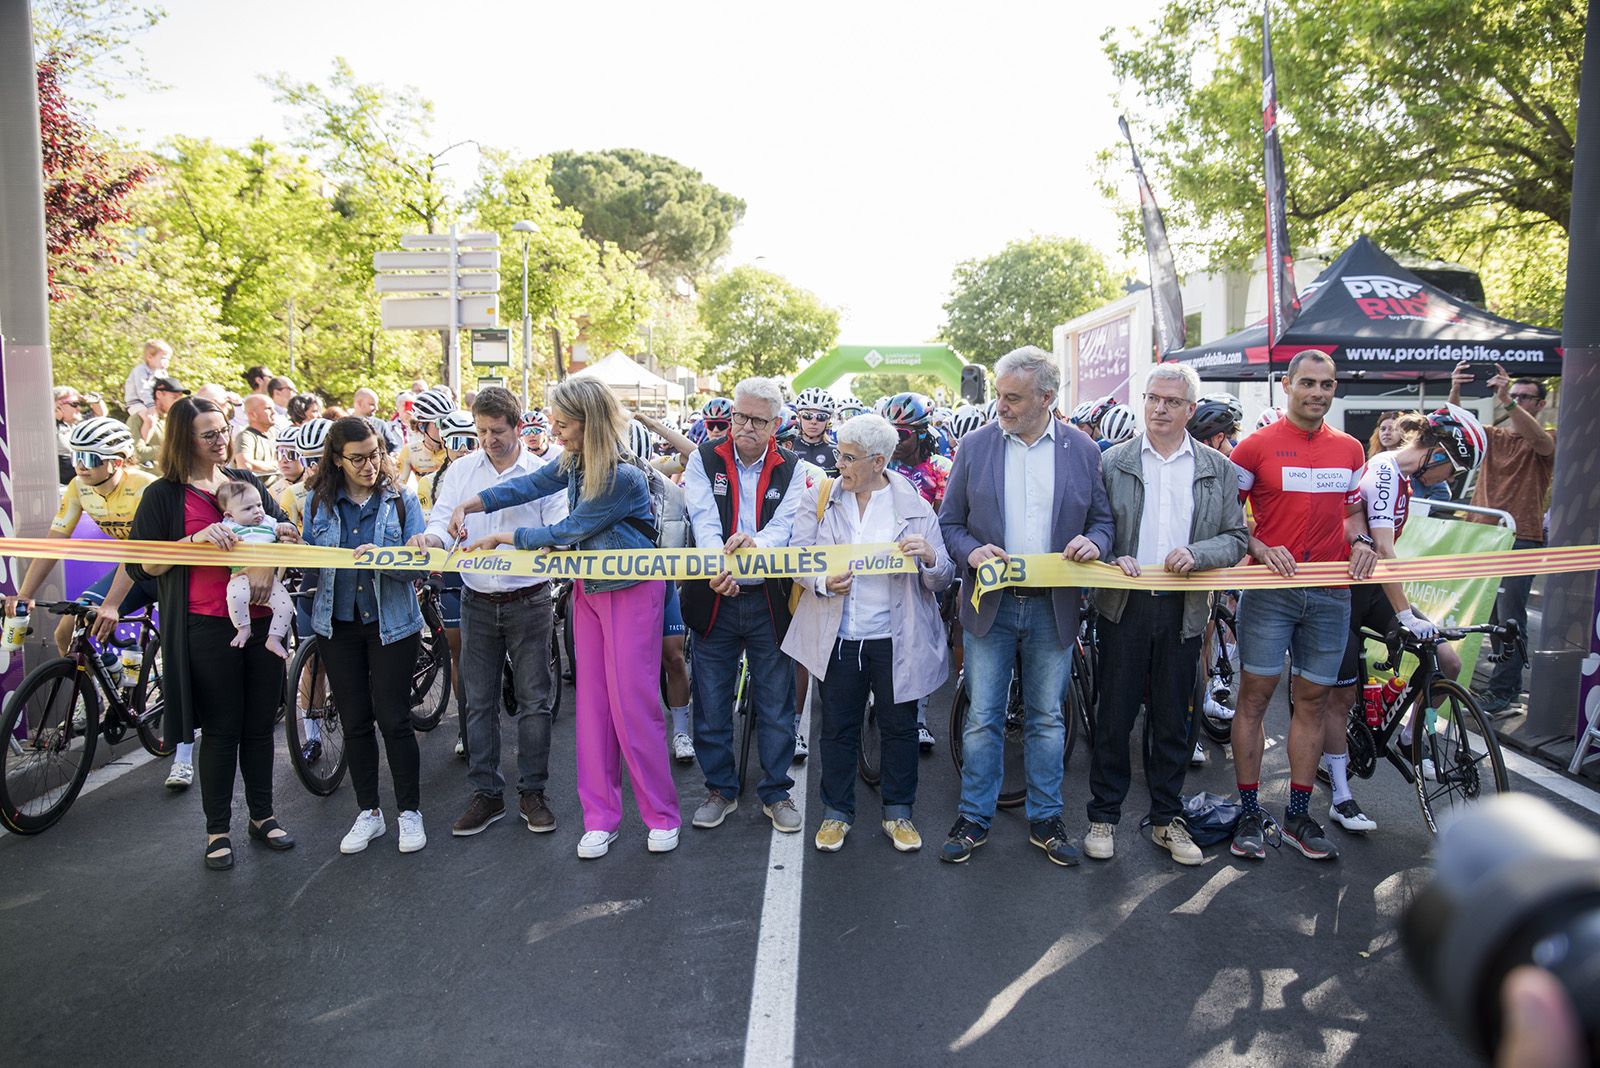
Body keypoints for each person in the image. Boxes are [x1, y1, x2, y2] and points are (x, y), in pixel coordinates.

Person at [453, 378, 680, 859]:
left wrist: (504, 538)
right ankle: (600, 819)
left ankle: (661, 816)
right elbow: (530, 485)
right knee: (593, 710)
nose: (552, 431)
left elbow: (570, 528)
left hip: (632, 592)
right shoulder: (573, 461)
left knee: (633, 707)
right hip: (589, 591)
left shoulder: (622, 475)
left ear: (587, 422)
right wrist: (474, 503)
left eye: (561, 423)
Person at [937, 345, 1114, 867]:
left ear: (1046, 398)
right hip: (989, 604)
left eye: (1013, 398)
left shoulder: (1083, 450)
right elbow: (950, 523)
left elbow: (1102, 521)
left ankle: (1047, 818)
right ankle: (974, 816)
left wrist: (1095, 543)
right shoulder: (975, 446)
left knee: (1046, 720)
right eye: (999, 395)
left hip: (1051, 608)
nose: (1002, 406)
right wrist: (972, 551)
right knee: (982, 717)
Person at [117, 397, 298, 870]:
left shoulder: (244, 482)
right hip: (206, 626)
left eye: (224, 430)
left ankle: (263, 815)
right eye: (209, 434)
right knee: (221, 730)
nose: (221, 440)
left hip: (263, 624)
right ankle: (218, 830)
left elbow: (283, 531)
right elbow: (142, 565)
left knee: (259, 725)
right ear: (185, 439)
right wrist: (193, 541)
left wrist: (273, 558)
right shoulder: (163, 495)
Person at [1083, 364, 1248, 866]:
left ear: (1190, 410)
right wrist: (1112, 557)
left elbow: (1236, 538)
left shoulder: (1217, 468)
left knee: (1174, 719)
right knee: (1114, 716)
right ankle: (1103, 816)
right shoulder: (1112, 461)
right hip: (1124, 605)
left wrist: (1199, 553)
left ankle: (1166, 819)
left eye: (1172, 401)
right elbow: (1094, 526)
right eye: (1153, 398)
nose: (1159, 408)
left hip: (1185, 607)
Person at [1227, 350, 1375, 863]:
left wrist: (1361, 542)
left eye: (1326, 385)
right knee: (1254, 699)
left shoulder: (1350, 448)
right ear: (1287, 385)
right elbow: (1229, 518)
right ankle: (1249, 812)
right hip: (1271, 592)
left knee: (1313, 703)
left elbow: (1351, 515)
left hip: (1331, 594)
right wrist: (1259, 546)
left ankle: (1296, 815)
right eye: (1307, 383)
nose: (1317, 393)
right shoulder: (1254, 447)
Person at [782, 413, 955, 852]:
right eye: (839, 454)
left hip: (896, 638)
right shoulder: (821, 497)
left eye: (848, 457)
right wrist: (822, 582)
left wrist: (930, 557)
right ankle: (836, 814)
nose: (839, 464)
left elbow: (942, 577)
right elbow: (797, 557)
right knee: (837, 728)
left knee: (899, 728)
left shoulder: (914, 505)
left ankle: (899, 813)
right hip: (840, 635)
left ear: (878, 461)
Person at [409, 388, 567, 838]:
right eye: (481, 431)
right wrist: (431, 539)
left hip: (529, 599)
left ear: (517, 426)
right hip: (476, 599)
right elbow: (441, 522)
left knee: (534, 703)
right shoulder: (461, 471)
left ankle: (533, 793)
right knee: (477, 702)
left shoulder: (543, 472)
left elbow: (557, 529)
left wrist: (523, 542)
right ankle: (487, 793)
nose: (488, 440)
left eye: (497, 431)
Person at [1320, 405, 1484, 834]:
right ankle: (1341, 795)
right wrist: (1406, 613)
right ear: (1437, 452)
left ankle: (1412, 737)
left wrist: (1405, 613)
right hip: (1342, 592)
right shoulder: (1385, 471)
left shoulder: (1406, 481)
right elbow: (1384, 549)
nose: (1451, 479)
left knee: (1447, 661)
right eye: (1454, 469)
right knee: (1341, 698)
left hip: (1372, 588)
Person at [680, 377, 811, 833]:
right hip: (713, 594)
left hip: (768, 601)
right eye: (739, 417)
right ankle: (719, 789)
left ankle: (776, 792)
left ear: (776, 424)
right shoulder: (703, 458)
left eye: (757, 420)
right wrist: (720, 567)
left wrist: (755, 546)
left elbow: (785, 527)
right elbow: (703, 520)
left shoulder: (793, 467)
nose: (745, 427)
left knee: (776, 704)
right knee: (711, 701)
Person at [300, 417, 430, 855]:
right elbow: (308, 560)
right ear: (337, 459)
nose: (369, 465)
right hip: (337, 625)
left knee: (394, 719)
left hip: (392, 624)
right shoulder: (317, 502)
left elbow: (417, 567)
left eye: (375, 455)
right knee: (355, 721)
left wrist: (386, 557)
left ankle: (409, 811)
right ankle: (369, 811)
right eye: (357, 459)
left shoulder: (401, 499)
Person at [1448, 361, 1556, 716]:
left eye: (1525, 397)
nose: (1517, 400)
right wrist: (1455, 389)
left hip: (1520, 537)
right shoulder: (1494, 435)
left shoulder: (1549, 436)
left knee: (1510, 620)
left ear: (1540, 404)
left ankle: (1505, 692)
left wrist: (1505, 398)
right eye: (1515, 394)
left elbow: (1539, 442)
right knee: (1490, 617)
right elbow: (1455, 428)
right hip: (1484, 536)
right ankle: (1498, 688)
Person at [882, 391, 954, 752]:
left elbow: (944, 518)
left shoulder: (941, 468)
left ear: (922, 433)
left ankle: (920, 717)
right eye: (889, 433)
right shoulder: (882, 464)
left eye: (902, 434)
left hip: (924, 558)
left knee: (919, 638)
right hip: (882, 561)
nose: (895, 441)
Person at [626, 419, 697, 764]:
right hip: (617, 588)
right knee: (628, 666)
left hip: (660, 581)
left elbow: (693, 456)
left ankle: (681, 731)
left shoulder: (657, 474)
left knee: (674, 658)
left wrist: (653, 424)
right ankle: (633, 731)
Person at [213, 481, 295, 659]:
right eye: (248, 508)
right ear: (230, 515)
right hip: (240, 574)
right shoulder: (228, 527)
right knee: (236, 597)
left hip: (269, 579)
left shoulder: (269, 521)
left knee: (286, 606)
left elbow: (285, 530)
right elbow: (218, 542)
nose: (257, 511)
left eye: (259, 505)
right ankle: (243, 629)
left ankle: (274, 638)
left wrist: (286, 528)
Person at [127, 376, 189, 471]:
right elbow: (135, 453)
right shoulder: (139, 419)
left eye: (180, 398)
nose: (179, 402)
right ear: (159, 394)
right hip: (148, 478)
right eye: (174, 397)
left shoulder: (175, 420)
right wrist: (171, 450)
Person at [122, 338, 173, 441]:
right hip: (137, 402)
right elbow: (143, 391)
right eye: (163, 358)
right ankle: (144, 442)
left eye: (168, 360)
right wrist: (151, 406)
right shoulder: (140, 370)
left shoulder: (162, 373)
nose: (166, 362)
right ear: (150, 357)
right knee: (150, 419)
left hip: (150, 402)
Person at [399, 387, 453, 483]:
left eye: (449, 421)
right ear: (421, 426)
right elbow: (398, 486)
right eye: (440, 422)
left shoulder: (457, 448)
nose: (446, 427)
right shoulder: (410, 451)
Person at [232, 394, 280, 492]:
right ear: (252, 415)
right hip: (259, 493)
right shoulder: (246, 437)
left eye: (273, 408)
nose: (274, 412)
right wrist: (278, 466)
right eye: (268, 408)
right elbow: (245, 464)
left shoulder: (276, 433)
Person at [790, 387, 839, 474]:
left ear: (828, 420)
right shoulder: (788, 448)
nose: (813, 422)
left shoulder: (836, 451)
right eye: (807, 415)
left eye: (821, 416)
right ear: (799, 417)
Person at [53, 385, 87, 484]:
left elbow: (100, 414)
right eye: (74, 404)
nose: (79, 408)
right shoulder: (46, 427)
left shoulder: (74, 425)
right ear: (56, 406)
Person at [232, 366, 273, 431]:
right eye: (270, 377)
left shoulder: (272, 402)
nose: (273, 380)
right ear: (259, 380)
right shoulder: (244, 404)